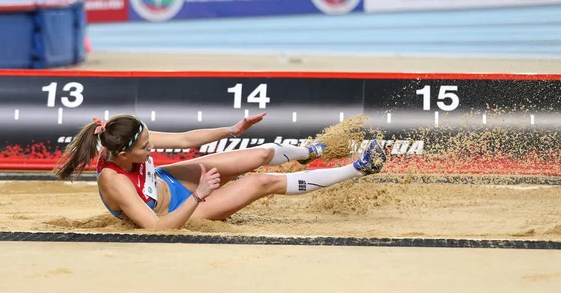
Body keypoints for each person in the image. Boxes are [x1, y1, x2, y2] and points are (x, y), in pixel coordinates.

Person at [55, 113, 386, 229]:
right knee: (261, 181)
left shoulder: (128, 136)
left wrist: (231, 129)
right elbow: (156, 228)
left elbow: (186, 138)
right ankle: (358, 168)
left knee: (260, 153)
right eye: (144, 148)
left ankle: (308, 152)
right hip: (181, 211)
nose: (150, 148)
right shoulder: (114, 181)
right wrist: (199, 195)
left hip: (171, 181)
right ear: (124, 154)